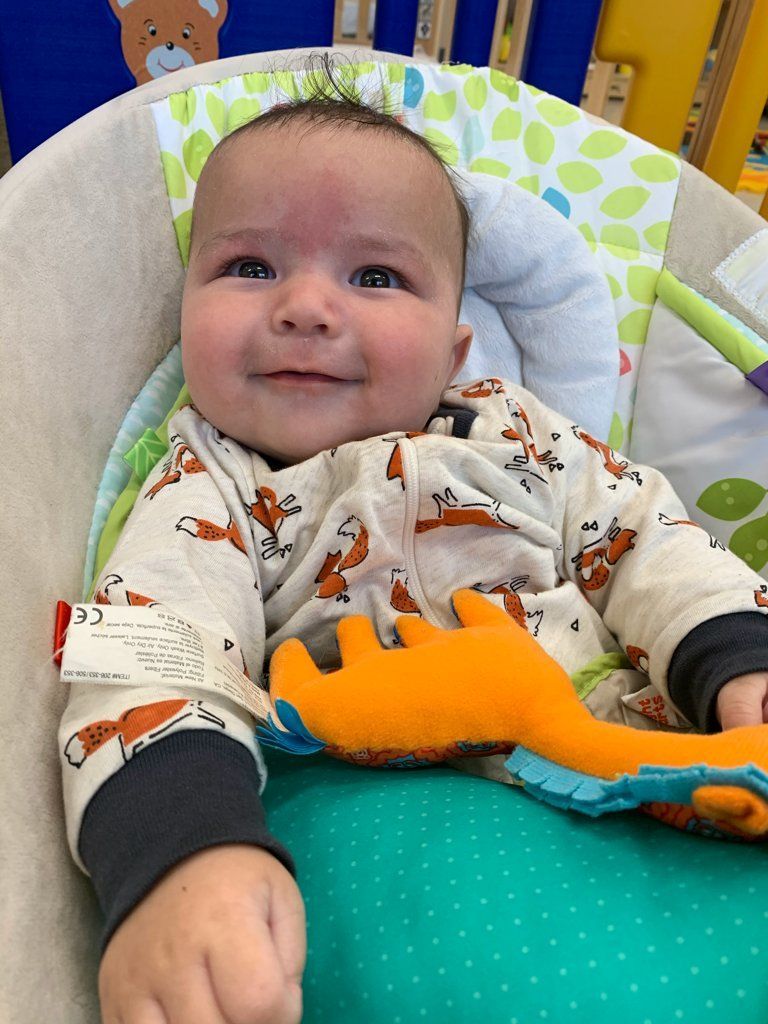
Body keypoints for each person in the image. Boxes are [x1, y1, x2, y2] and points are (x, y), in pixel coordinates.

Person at [59, 73, 768, 1024]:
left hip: (622, 746)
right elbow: (160, 643)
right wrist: (182, 852)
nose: (306, 306)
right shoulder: (207, 481)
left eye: (377, 277)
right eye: (250, 268)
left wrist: (737, 662)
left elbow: (649, 537)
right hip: (364, 793)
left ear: (453, 348)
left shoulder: (516, 433)